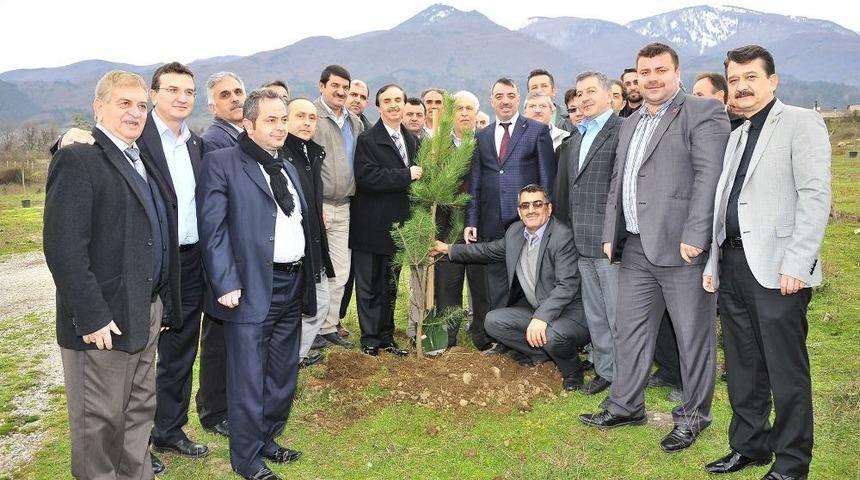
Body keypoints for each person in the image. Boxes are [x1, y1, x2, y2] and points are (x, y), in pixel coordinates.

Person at [579, 43, 730, 454]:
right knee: (630, 331)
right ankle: (626, 406)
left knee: (692, 337)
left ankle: (693, 417)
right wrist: (611, 232)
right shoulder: (630, 122)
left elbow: (710, 177)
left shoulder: (702, 112)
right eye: (644, 71)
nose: (651, 78)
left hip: (682, 248)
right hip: (636, 247)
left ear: (676, 72)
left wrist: (696, 235)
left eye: (660, 70)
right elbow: (619, 181)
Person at [44, 69, 182, 480]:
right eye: (124, 103)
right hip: (104, 321)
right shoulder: (78, 157)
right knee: (99, 424)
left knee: (138, 413)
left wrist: (162, 304)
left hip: (145, 311)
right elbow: (64, 247)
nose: (135, 112)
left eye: (141, 105)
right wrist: (91, 316)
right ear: (98, 107)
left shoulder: (141, 157)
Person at [703, 45, 831, 480]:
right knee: (742, 365)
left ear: (772, 81)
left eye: (750, 77)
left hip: (779, 269)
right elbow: (725, 202)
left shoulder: (801, 122)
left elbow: (814, 196)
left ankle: (792, 463)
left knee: (785, 370)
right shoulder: (736, 134)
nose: (741, 86)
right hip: (733, 264)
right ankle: (749, 445)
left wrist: (798, 261)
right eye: (734, 79)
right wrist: (713, 263)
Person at [197, 89, 317, 480]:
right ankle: (247, 459)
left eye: (283, 119)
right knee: (248, 377)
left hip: (292, 283)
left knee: (282, 373)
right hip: (249, 288)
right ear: (248, 124)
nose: (280, 127)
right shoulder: (222, 163)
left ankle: (267, 438)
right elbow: (212, 229)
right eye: (271, 120)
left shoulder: (287, 166)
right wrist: (225, 282)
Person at [433, 184, 589, 390]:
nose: (531, 210)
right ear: (519, 211)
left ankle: (572, 371)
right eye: (525, 206)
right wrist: (448, 249)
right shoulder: (516, 232)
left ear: (549, 208)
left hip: (570, 313)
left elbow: (567, 285)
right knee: (493, 322)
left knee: (553, 336)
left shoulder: (562, 236)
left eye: (537, 204)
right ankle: (541, 355)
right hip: (537, 310)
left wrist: (541, 317)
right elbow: (487, 251)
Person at [465, 77, 555, 351]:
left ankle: (525, 338)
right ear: (491, 100)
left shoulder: (536, 130)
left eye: (510, 95)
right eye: (499, 96)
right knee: (495, 282)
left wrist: (545, 217)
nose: (505, 101)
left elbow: (546, 178)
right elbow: (475, 181)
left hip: (527, 222)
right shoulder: (481, 136)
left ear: (518, 99)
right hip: (490, 220)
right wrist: (471, 220)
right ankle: (495, 336)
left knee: (525, 281)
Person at [553, 71, 621, 397]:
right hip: (582, 241)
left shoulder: (623, 130)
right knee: (595, 314)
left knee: (618, 314)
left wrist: (615, 235)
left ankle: (626, 375)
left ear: (609, 95)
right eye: (580, 94)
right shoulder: (576, 137)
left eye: (591, 91)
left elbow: (622, 190)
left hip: (610, 243)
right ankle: (606, 371)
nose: (584, 98)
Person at [351, 83, 420, 356]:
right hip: (370, 225)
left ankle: (387, 336)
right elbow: (367, 177)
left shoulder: (411, 140)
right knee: (369, 285)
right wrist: (406, 175)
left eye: (397, 100)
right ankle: (370, 339)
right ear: (378, 106)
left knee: (390, 285)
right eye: (387, 101)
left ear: (404, 104)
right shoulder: (368, 139)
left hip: (397, 227)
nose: (393, 105)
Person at [279, 97, 334, 369]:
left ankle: (293, 359)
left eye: (312, 118)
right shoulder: (281, 155)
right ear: (286, 119)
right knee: (308, 305)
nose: (307, 122)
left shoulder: (311, 153)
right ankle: (288, 361)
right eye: (300, 116)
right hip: (293, 249)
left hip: (313, 243)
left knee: (319, 302)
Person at [313, 65, 364, 350]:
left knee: (341, 272)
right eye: (335, 86)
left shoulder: (355, 122)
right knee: (315, 272)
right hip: (318, 206)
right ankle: (310, 331)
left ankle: (329, 327)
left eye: (345, 87)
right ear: (322, 86)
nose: (341, 91)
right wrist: (312, 203)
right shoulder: (312, 117)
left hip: (344, 206)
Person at [202, 71, 247, 153]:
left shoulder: (255, 133)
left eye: (238, 92)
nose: (235, 99)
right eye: (225, 95)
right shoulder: (212, 142)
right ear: (213, 108)